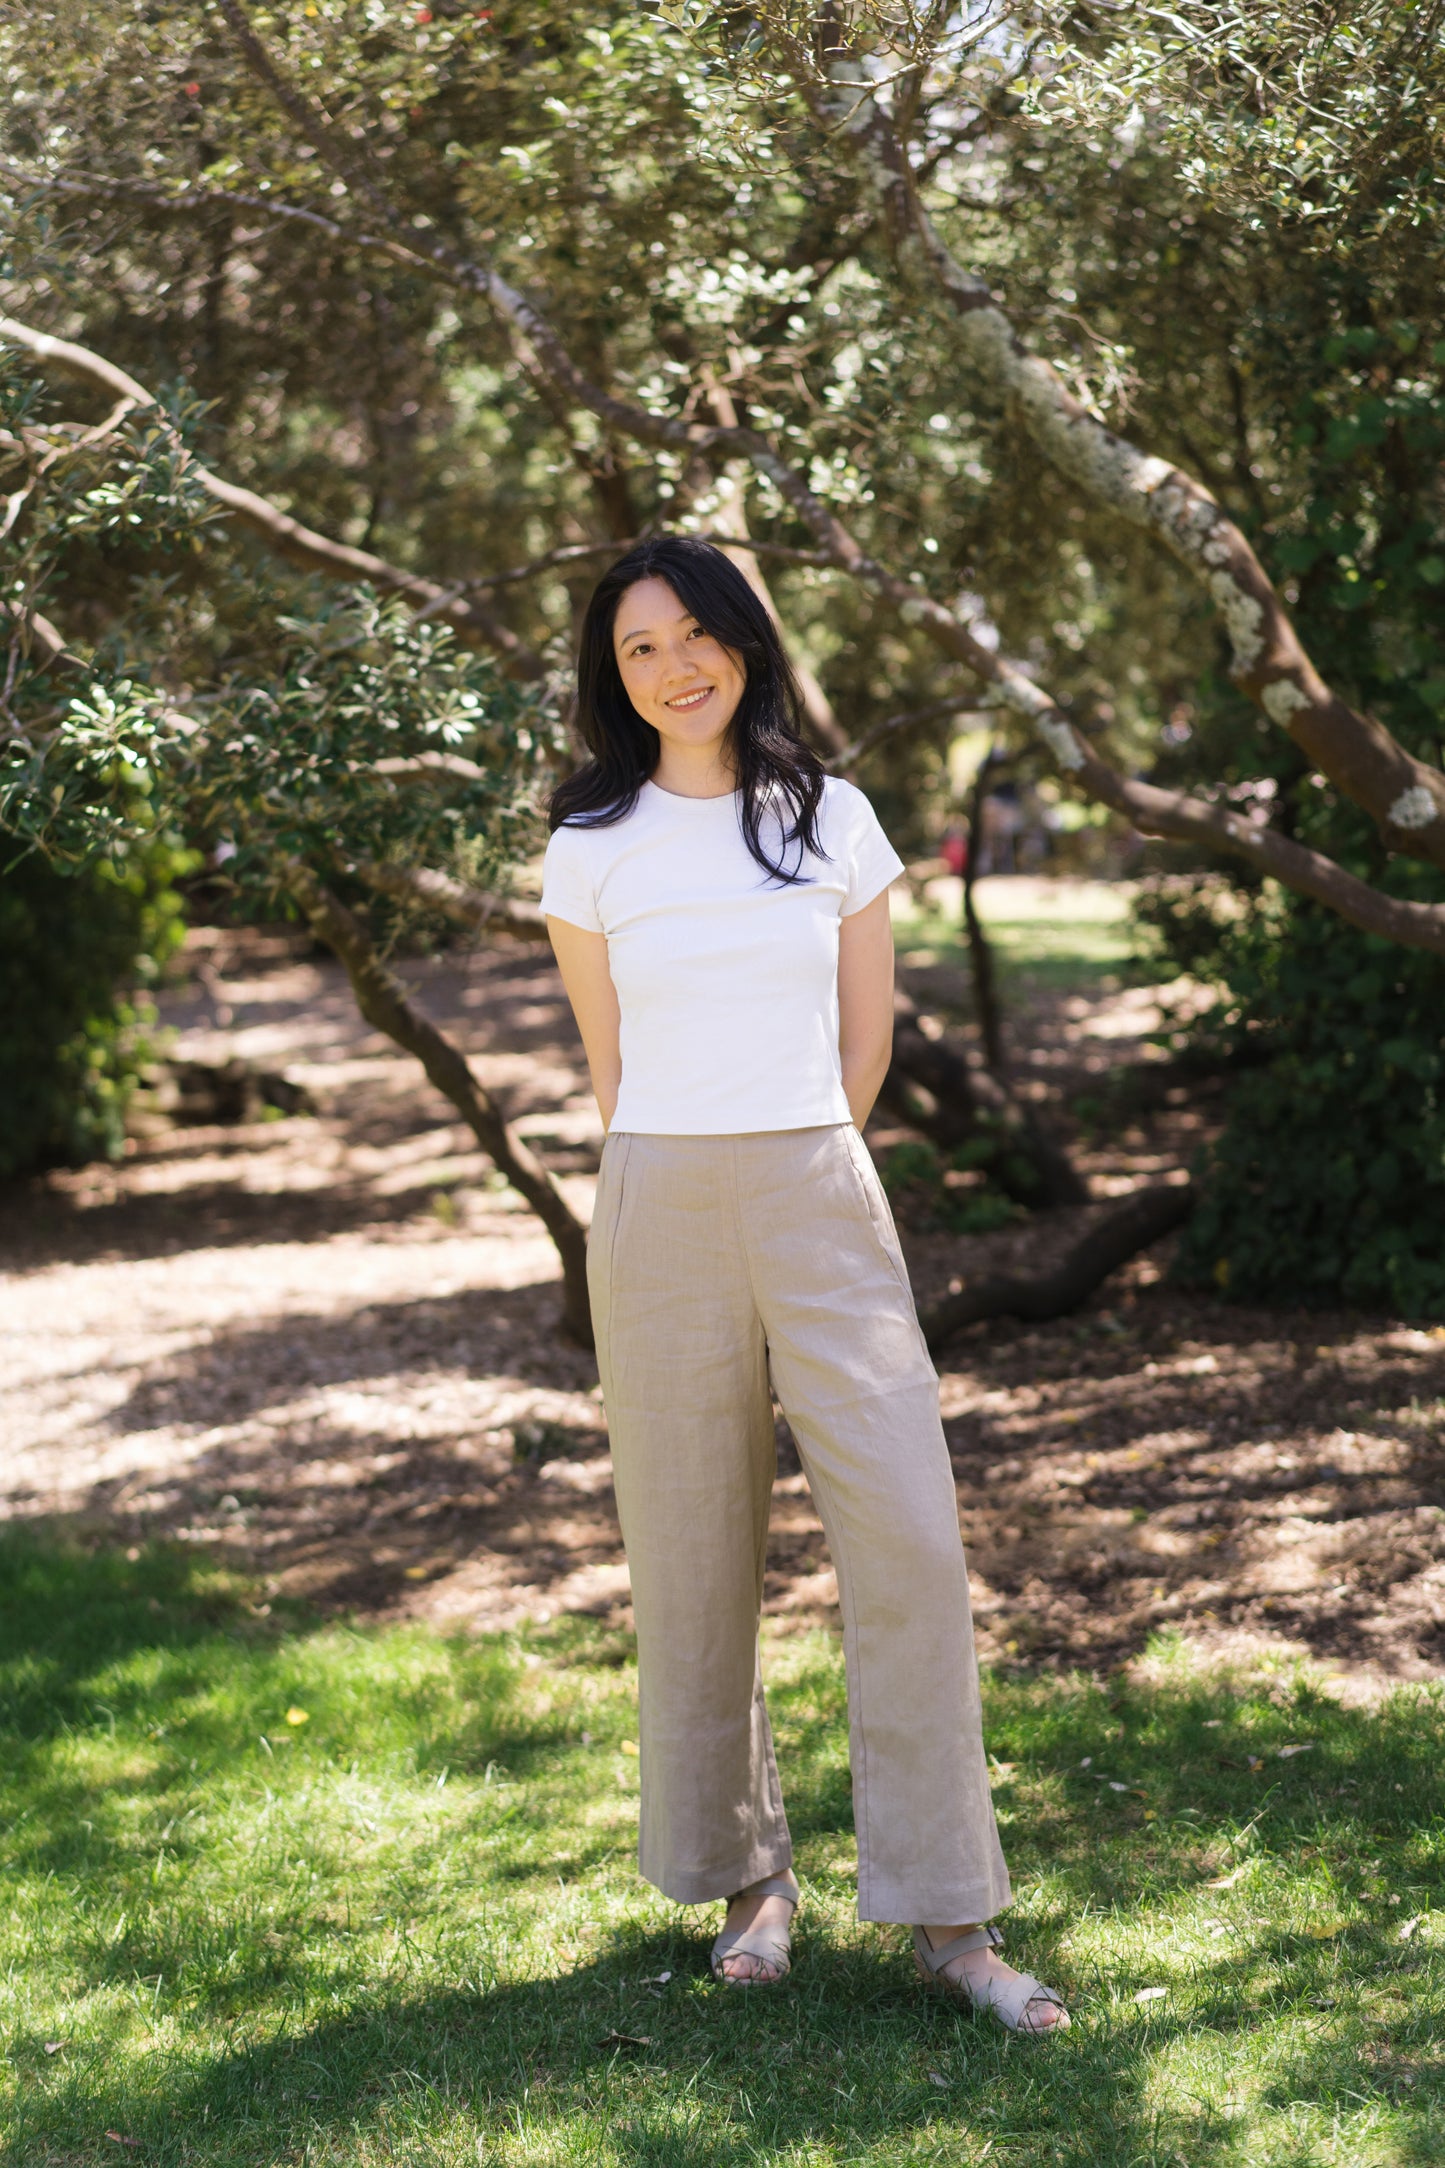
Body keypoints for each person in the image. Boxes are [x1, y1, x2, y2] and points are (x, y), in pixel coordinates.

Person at [540, 537, 1068, 2035]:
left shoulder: (830, 817)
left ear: (745, 644)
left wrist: (804, 1149)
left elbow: (865, 1043)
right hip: (656, 1201)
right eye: (639, 648)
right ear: (614, 675)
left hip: (816, 1189)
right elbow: (609, 1067)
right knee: (691, 1553)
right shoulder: (588, 845)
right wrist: (679, 1164)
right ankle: (744, 1883)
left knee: (904, 1534)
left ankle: (950, 1916)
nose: (673, 667)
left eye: (696, 635)